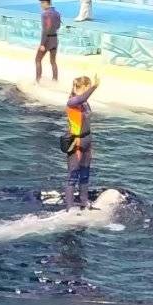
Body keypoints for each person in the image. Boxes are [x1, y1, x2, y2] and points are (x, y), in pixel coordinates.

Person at [64, 74, 99, 209]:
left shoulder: (85, 103)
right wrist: (95, 87)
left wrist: (91, 146)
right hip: (76, 142)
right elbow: (82, 97)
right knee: (73, 175)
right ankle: (69, 206)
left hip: (87, 140)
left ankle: (84, 201)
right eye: (88, 87)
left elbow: (87, 124)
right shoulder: (72, 102)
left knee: (85, 174)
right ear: (84, 87)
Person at [35, 0, 62, 83]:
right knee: (53, 61)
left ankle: (37, 81)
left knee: (38, 59)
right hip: (55, 39)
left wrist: (42, 44)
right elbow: (58, 26)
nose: (41, 5)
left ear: (46, 2)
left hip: (47, 40)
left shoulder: (45, 14)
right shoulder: (57, 13)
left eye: (42, 3)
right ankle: (55, 80)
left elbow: (46, 29)